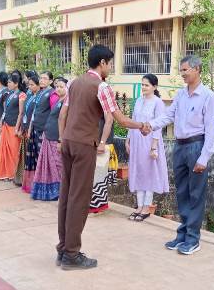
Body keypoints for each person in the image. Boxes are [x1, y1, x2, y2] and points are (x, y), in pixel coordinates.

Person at [55, 44, 146, 270]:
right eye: (110, 63)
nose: (111, 67)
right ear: (102, 63)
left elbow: (62, 114)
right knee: (79, 198)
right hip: (85, 144)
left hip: (67, 142)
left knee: (66, 195)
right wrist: (143, 125)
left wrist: (62, 139)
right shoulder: (102, 86)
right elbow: (119, 119)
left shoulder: (74, 83)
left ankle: (63, 248)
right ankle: (72, 255)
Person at [143, 55, 214, 255]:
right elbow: (169, 116)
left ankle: (193, 238)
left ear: (197, 69)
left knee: (196, 194)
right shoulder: (181, 95)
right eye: (181, 70)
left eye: (185, 70)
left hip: (196, 146)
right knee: (182, 192)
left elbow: (212, 129)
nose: (182, 73)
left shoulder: (208, 96)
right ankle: (183, 234)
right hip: (180, 147)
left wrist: (204, 157)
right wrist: (150, 125)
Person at [126, 74, 169, 221]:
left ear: (154, 87)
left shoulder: (158, 103)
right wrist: (128, 140)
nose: (143, 87)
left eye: (147, 85)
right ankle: (139, 206)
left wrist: (154, 147)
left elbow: (159, 126)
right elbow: (133, 121)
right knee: (138, 171)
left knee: (149, 173)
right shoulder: (138, 101)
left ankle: (146, 207)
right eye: (142, 84)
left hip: (150, 141)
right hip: (137, 141)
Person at [31, 77, 67, 200]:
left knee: (57, 165)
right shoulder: (58, 100)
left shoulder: (66, 102)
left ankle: (58, 191)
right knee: (48, 165)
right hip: (49, 135)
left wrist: (60, 140)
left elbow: (64, 122)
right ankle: (47, 191)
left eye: (62, 86)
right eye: (57, 86)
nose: (58, 89)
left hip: (56, 138)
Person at [21, 72, 54, 193]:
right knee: (36, 157)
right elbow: (34, 113)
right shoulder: (39, 92)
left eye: (45, 78)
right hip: (35, 128)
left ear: (51, 81)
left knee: (43, 158)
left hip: (44, 130)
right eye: (41, 78)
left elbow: (53, 114)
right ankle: (37, 183)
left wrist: (48, 130)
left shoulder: (52, 93)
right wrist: (30, 129)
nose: (42, 80)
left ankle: (47, 185)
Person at [0, 73, 26, 181]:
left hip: (14, 126)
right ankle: (6, 173)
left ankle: (14, 174)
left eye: (10, 82)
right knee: (4, 151)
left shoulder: (22, 95)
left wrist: (17, 128)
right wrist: (0, 123)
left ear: (16, 83)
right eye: (7, 82)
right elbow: (5, 111)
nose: (8, 84)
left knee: (13, 150)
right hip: (6, 124)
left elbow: (21, 113)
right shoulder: (9, 94)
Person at [88, 113, 117, 214]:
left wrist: (102, 142)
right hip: (92, 142)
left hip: (102, 144)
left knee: (98, 178)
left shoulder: (105, 98)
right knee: (91, 176)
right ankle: (91, 205)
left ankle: (97, 207)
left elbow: (109, 121)